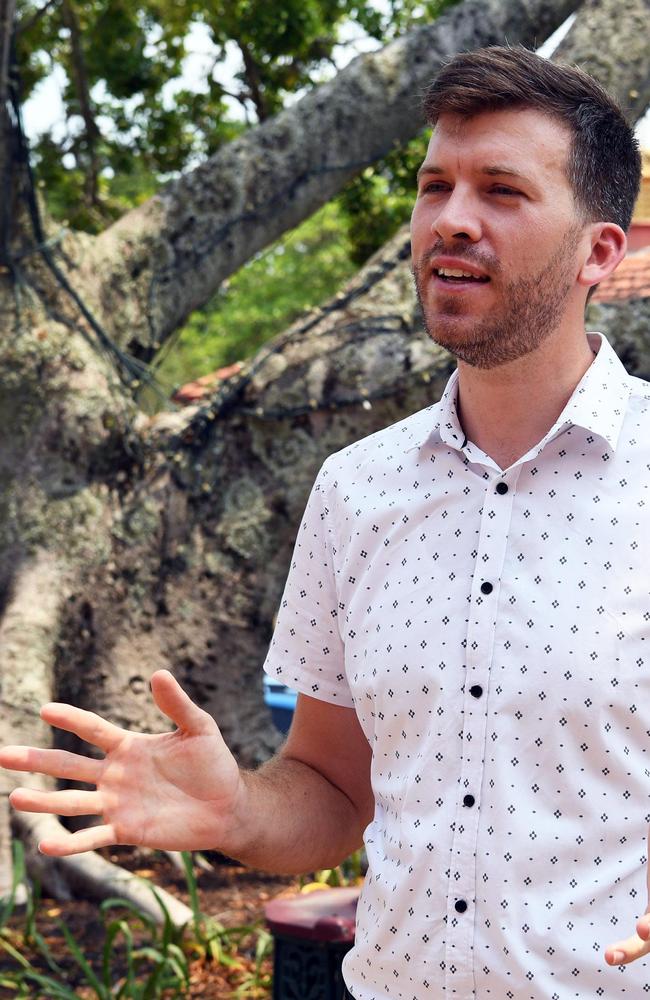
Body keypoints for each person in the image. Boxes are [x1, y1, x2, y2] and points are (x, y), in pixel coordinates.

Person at [1, 44, 648, 999]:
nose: (451, 221)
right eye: (435, 187)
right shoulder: (357, 490)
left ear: (601, 251)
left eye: (502, 191)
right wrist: (237, 811)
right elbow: (334, 793)